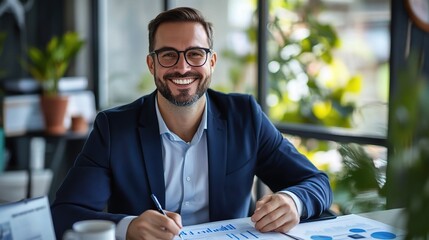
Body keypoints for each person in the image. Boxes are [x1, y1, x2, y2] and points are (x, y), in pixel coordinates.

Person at [51, 6, 332, 240]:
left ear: (211, 62)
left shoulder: (245, 116)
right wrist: (129, 226)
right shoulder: (113, 128)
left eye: (195, 54)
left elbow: (316, 183)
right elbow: (65, 213)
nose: (183, 67)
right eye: (169, 55)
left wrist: (293, 202)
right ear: (152, 65)